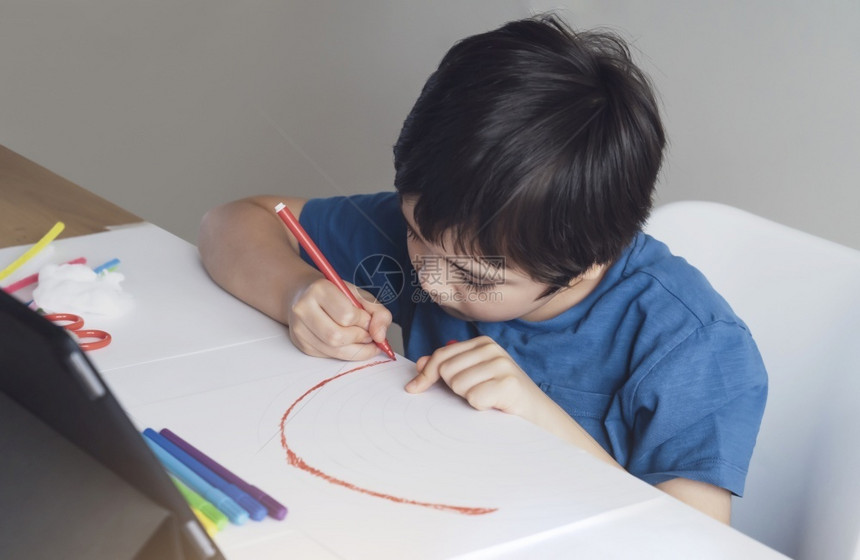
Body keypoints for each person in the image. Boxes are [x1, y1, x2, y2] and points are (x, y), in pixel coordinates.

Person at [198, 14, 767, 523]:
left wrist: (543, 421)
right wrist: (298, 291)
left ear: (588, 261)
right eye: (417, 236)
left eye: (476, 279)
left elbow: (695, 539)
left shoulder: (693, 344)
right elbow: (232, 223)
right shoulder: (454, 232)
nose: (431, 279)